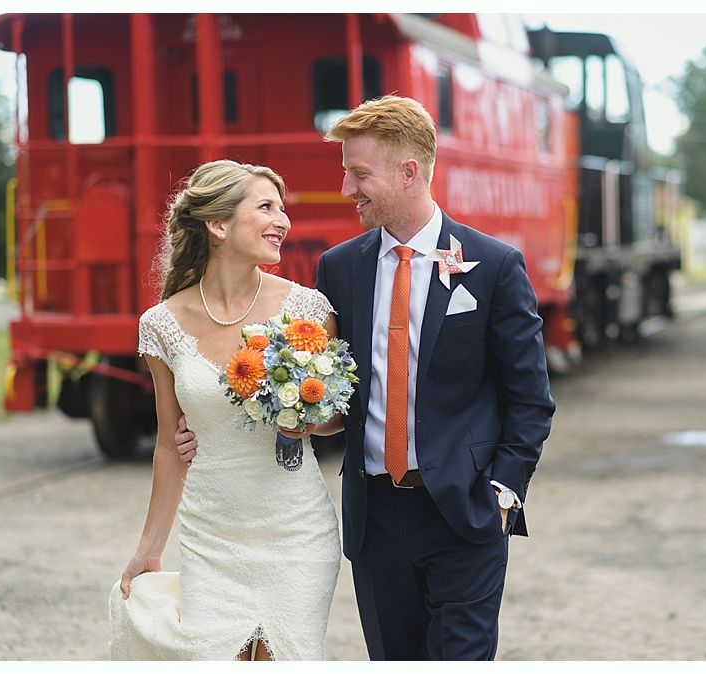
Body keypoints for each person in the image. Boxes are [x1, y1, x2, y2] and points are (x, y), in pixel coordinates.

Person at [177, 96, 555, 660]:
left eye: (359, 173)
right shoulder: (340, 268)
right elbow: (319, 394)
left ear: (409, 173)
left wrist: (504, 493)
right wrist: (219, 421)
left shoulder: (494, 265)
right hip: (376, 520)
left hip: (466, 512)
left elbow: (530, 399)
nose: (347, 188)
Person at [109, 159, 342, 661]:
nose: (283, 220)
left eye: (283, 209)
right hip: (209, 536)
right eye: (266, 207)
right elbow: (171, 446)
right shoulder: (161, 326)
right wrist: (149, 550)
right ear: (218, 225)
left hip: (296, 532)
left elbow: (336, 417)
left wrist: (310, 418)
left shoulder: (309, 310)